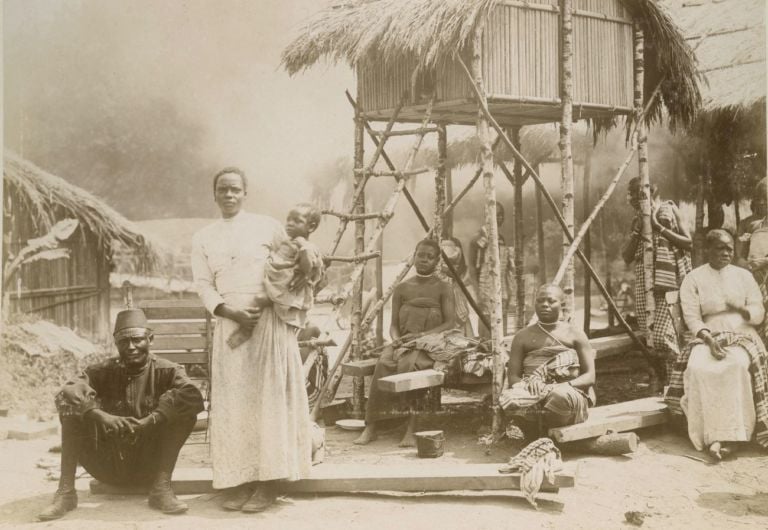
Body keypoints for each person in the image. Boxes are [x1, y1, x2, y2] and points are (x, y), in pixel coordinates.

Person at [191, 167, 312, 513]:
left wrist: (274, 302)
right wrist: (230, 312)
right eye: (222, 190)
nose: (229, 195)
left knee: (267, 401)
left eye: (235, 190)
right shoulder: (203, 237)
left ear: (246, 193)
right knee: (235, 402)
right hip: (231, 322)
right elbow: (203, 284)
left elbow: (294, 267)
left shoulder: (268, 227)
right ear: (214, 194)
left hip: (267, 322)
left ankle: (268, 483)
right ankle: (238, 480)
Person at [37, 309, 204, 521]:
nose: (131, 347)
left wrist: (153, 419)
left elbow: (192, 396)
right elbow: (67, 392)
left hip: (149, 465)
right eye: (124, 341)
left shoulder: (168, 371)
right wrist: (100, 415)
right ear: (116, 344)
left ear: (150, 339)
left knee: (184, 412)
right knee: (71, 409)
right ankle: (66, 492)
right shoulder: (101, 371)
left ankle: (161, 488)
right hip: (107, 463)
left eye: (137, 340)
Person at [666, 229, 768, 459]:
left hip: (742, 332)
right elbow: (692, 317)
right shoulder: (694, 278)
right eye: (720, 248)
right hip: (708, 334)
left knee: (738, 366)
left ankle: (736, 436)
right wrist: (708, 339)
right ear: (706, 250)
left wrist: (743, 310)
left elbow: (758, 311)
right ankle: (711, 435)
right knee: (698, 367)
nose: (726, 253)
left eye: (729, 248)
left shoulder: (744, 276)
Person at [354, 239, 456, 447]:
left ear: (437, 261)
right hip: (404, 342)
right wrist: (396, 339)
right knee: (384, 364)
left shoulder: (443, 288)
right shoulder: (402, 288)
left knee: (412, 367)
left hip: (430, 343)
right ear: (414, 256)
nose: (424, 260)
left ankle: (411, 427)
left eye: (429, 257)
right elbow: (393, 325)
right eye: (421, 255)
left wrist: (424, 337)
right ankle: (371, 426)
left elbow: (450, 322)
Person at [621, 177, 692, 386]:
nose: (631, 198)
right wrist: (638, 231)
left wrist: (658, 227)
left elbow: (688, 243)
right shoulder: (637, 220)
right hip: (645, 283)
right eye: (630, 194)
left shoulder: (668, 209)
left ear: (650, 193)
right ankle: (664, 386)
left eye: (635, 193)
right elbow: (626, 256)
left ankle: (679, 385)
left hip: (668, 282)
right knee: (650, 338)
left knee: (664, 337)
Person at [501, 284, 596, 434]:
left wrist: (559, 387)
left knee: (559, 397)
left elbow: (590, 376)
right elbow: (513, 376)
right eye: (540, 301)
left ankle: (541, 430)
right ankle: (540, 428)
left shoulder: (575, 334)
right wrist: (527, 384)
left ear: (562, 304)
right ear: (535, 304)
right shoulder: (522, 336)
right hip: (533, 390)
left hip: (567, 392)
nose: (545, 304)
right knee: (511, 398)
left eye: (551, 301)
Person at [227, 202, 323, 347]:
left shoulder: (306, 246)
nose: (290, 224)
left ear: (310, 227)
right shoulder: (287, 240)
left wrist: (304, 249)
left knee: (259, 299)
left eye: (297, 221)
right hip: (277, 281)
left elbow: (308, 267)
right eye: (289, 219)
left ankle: (246, 330)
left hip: (286, 287)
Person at [469, 201, 515, 335]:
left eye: (501, 215)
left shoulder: (501, 239)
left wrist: (508, 287)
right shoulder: (478, 238)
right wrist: (477, 293)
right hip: (486, 289)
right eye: (496, 215)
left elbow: (505, 267)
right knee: (487, 322)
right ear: (487, 216)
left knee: (502, 322)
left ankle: (501, 353)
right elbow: (472, 268)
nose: (499, 218)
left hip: (502, 288)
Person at [440, 237, 475, 337]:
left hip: (456, 297)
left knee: (460, 321)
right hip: (446, 297)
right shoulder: (440, 267)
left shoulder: (460, 269)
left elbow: (460, 271)